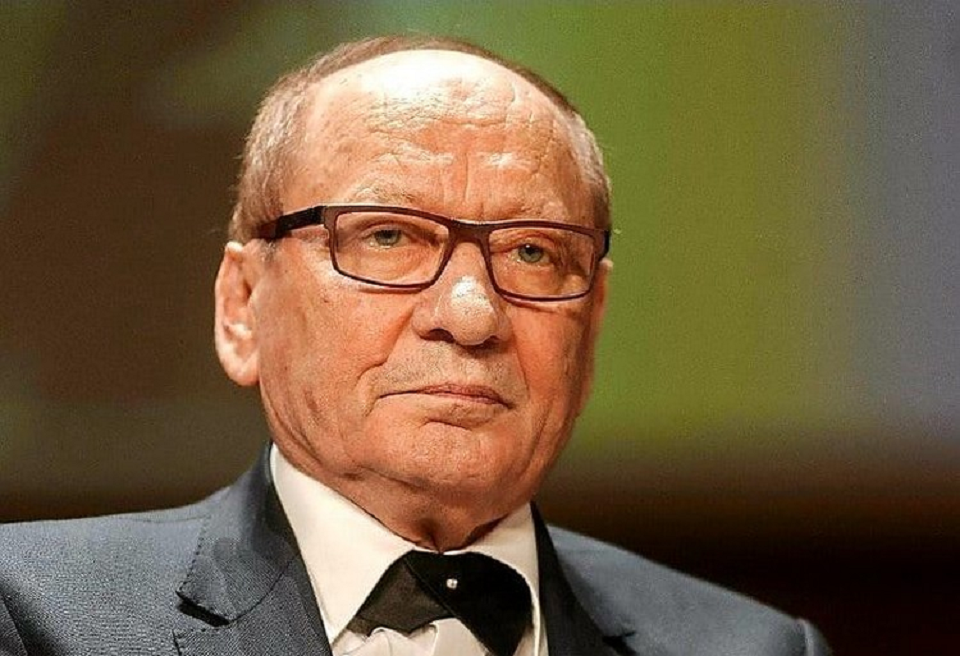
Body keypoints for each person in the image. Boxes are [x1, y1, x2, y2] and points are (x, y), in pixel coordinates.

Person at [0, 35, 830, 656]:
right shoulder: (36, 616)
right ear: (242, 307)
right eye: (387, 236)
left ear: (593, 323)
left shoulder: (756, 649)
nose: (470, 315)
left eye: (533, 252)